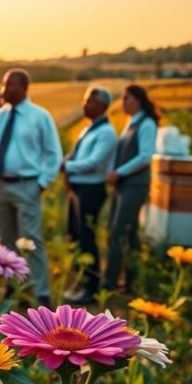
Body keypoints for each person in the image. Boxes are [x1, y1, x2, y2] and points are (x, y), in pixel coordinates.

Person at [0, 69, 62, 307]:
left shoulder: (40, 116)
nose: (4, 89)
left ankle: (42, 293)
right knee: (6, 240)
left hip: (27, 185)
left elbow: (53, 153)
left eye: (10, 85)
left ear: (24, 88)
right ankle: (12, 288)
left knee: (31, 239)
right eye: (3, 84)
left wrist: (42, 183)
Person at [61, 85, 118, 304]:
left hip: (91, 190)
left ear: (102, 105)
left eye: (89, 101)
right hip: (78, 189)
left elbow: (94, 162)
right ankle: (82, 281)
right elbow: (74, 155)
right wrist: (64, 162)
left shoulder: (106, 133)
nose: (84, 104)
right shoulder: (89, 129)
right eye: (84, 100)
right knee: (75, 236)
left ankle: (91, 288)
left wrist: (67, 167)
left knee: (87, 238)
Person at [104, 84, 160, 291]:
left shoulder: (147, 124)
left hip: (135, 185)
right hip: (124, 184)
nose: (123, 102)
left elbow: (145, 156)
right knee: (130, 233)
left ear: (137, 100)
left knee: (118, 231)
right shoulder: (131, 123)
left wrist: (119, 172)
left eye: (126, 98)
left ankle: (109, 282)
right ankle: (130, 282)